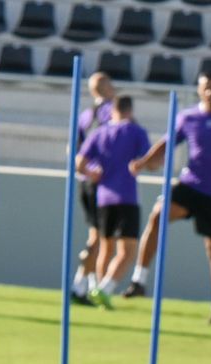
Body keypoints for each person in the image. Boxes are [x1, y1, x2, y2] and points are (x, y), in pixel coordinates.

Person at [123, 70, 211, 320]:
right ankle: (139, 279)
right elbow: (168, 141)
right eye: (205, 87)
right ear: (199, 89)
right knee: (158, 215)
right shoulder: (189, 117)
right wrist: (145, 161)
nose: (210, 92)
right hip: (191, 185)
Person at [74, 95, 151, 309]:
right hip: (126, 196)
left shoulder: (99, 133)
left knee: (106, 247)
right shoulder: (136, 131)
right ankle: (105, 288)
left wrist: (91, 173)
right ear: (130, 110)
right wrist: (141, 164)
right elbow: (149, 161)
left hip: (103, 198)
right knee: (128, 251)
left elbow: (79, 162)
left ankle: (97, 292)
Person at [70, 73, 116, 303]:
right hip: (102, 181)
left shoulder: (85, 115)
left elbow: (73, 149)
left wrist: (85, 170)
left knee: (97, 235)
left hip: (85, 180)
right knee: (101, 237)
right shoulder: (110, 113)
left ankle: (87, 285)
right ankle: (80, 285)